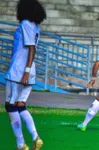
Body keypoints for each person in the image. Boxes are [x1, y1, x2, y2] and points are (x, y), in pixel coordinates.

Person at [4, 0, 46, 150]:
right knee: (21, 105)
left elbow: (31, 48)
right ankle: (35, 137)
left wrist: (25, 72)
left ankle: (21, 144)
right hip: (27, 71)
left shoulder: (25, 24)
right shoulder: (35, 26)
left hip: (19, 72)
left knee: (10, 106)